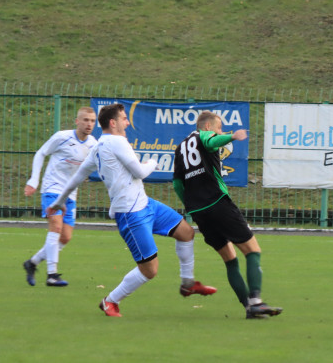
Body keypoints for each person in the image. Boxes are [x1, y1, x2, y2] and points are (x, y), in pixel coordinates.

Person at [47, 103, 216, 318]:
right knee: (149, 270)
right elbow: (140, 172)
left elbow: (77, 177)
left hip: (145, 204)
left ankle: (188, 283)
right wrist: (154, 161)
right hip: (130, 214)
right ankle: (110, 301)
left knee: (186, 232)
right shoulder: (117, 142)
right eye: (124, 118)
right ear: (113, 123)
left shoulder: (98, 147)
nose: (128, 122)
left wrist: (59, 201)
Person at [173, 111, 282, 319]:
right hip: (217, 203)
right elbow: (212, 141)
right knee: (252, 250)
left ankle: (248, 308)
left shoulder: (180, 148)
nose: (219, 132)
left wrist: (190, 205)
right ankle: (256, 301)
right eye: (219, 127)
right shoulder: (202, 135)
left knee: (230, 259)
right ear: (206, 126)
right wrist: (232, 136)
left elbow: (178, 183)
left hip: (198, 212)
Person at [22, 107, 98, 287]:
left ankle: (32, 263)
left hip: (71, 193)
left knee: (65, 238)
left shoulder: (93, 144)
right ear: (76, 121)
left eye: (92, 121)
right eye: (85, 120)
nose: (89, 124)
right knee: (55, 227)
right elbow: (41, 153)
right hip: (52, 188)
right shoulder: (62, 137)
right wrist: (34, 180)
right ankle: (52, 274)